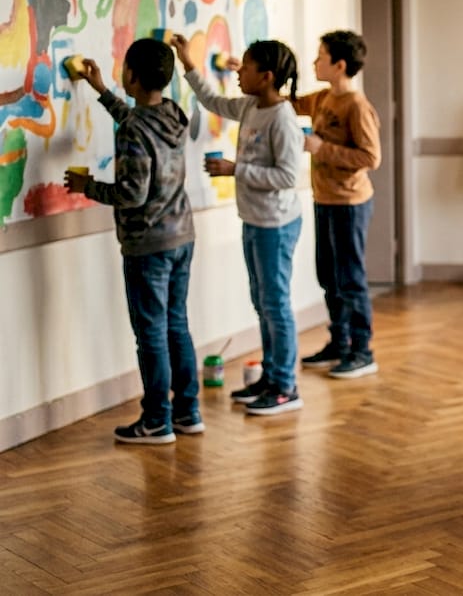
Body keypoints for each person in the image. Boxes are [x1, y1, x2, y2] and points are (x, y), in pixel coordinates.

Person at [64, 39, 200, 444]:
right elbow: (139, 124)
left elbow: (132, 194)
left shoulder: (132, 132)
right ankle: (187, 412)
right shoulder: (173, 114)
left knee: (151, 334)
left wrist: (90, 187)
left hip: (149, 246)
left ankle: (157, 419)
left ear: (132, 75)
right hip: (181, 236)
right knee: (176, 325)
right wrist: (102, 92)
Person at [172, 34, 306, 416]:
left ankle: (285, 386)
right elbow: (212, 101)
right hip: (254, 220)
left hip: (276, 224)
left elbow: (287, 176)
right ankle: (272, 375)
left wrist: (236, 171)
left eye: (244, 67)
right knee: (262, 302)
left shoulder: (283, 118)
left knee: (275, 304)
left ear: (265, 76)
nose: (238, 72)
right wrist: (188, 63)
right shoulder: (250, 106)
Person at [291, 30, 382, 379]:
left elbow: (371, 157)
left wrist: (321, 149)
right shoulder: (323, 98)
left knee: (350, 278)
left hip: (349, 203)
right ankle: (339, 342)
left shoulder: (356, 106)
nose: (315, 61)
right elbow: (289, 103)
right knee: (328, 275)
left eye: (320, 56)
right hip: (324, 199)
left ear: (339, 65)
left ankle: (362, 350)